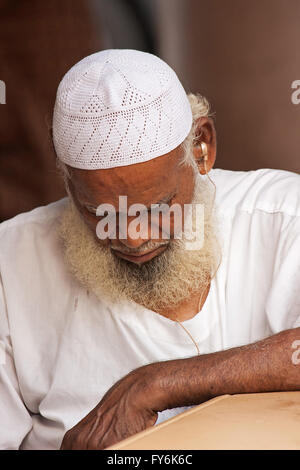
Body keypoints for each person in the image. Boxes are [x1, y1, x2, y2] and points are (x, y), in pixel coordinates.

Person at [0, 49, 299, 450]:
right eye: (100, 213)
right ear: (66, 178)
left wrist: (154, 384)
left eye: (157, 208)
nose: (135, 237)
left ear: (201, 147)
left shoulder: (281, 216)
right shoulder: (10, 264)